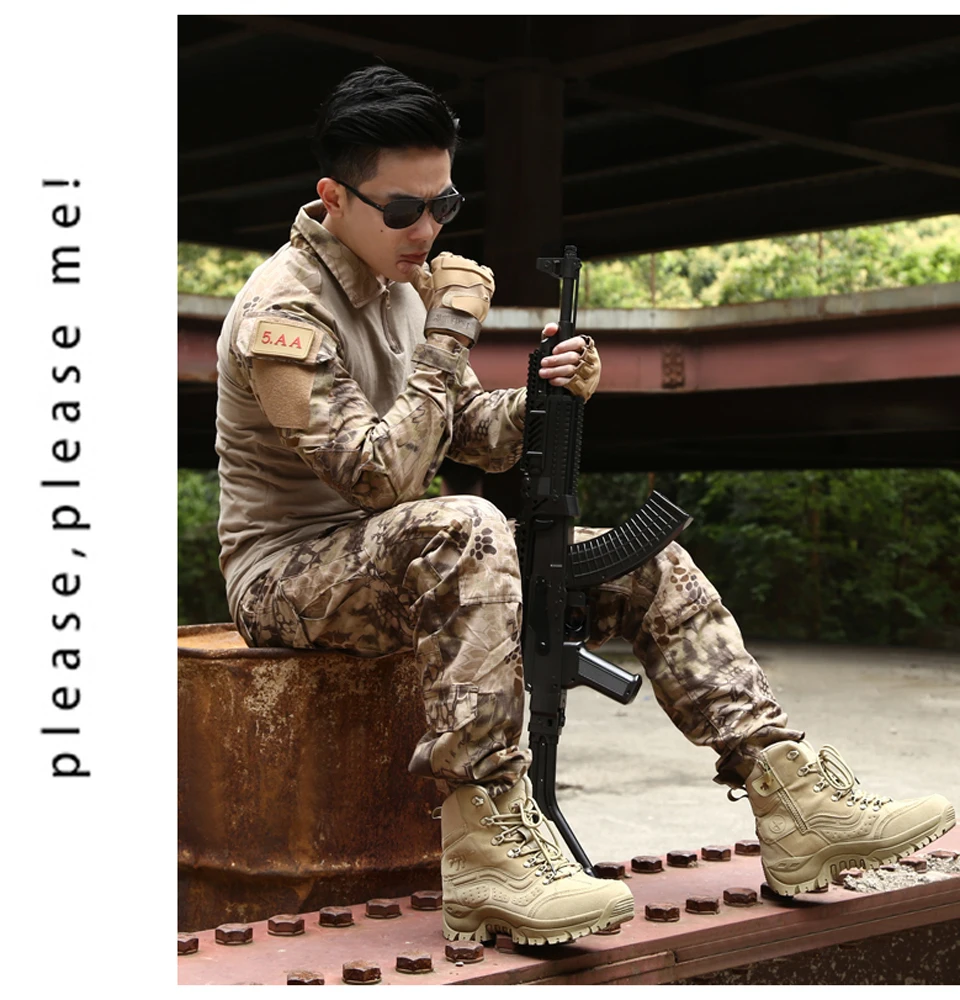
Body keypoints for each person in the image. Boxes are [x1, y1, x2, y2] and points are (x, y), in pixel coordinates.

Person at [214, 65, 955, 946]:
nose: (429, 230)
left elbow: (467, 431)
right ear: (334, 198)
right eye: (404, 209)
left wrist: (547, 395)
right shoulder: (283, 311)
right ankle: (487, 848)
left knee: (644, 557)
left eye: (444, 204)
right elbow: (380, 477)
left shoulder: (398, 289)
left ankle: (792, 795)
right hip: (285, 572)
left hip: (399, 550)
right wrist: (450, 328)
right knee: (467, 525)